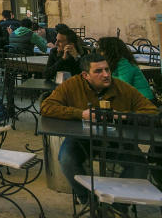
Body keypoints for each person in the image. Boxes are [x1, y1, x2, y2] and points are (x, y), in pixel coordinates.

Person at [40, 53, 157, 204]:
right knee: (67, 159)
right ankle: (89, 202)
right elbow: (46, 106)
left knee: (139, 166)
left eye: (107, 70)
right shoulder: (73, 85)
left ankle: (118, 206)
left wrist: (121, 116)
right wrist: (81, 114)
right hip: (82, 138)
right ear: (85, 75)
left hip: (117, 140)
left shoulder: (121, 88)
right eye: (98, 71)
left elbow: (152, 112)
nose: (106, 74)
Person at [98, 36, 153, 100]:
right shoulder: (114, 63)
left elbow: (122, 86)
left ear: (110, 50)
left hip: (144, 101)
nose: (99, 52)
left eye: (101, 50)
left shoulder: (124, 64)